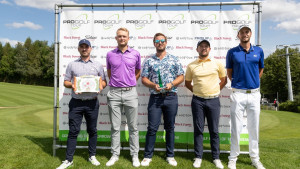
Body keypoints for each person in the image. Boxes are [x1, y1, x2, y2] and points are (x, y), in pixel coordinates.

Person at [57, 39, 107, 169]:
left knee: (92, 130)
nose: (84, 49)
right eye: (82, 47)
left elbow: (104, 82)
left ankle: (92, 156)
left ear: (90, 48)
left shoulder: (97, 65)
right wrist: (73, 85)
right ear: (79, 49)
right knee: (73, 131)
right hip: (76, 103)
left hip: (92, 103)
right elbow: (65, 82)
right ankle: (68, 160)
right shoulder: (72, 64)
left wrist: (100, 86)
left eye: (86, 47)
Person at [140, 33, 184, 167]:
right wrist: (153, 85)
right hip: (155, 98)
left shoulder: (174, 59)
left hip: (171, 97)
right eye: (157, 41)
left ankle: (170, 155)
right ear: (154, 43)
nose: (160, 43)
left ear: (166, 42)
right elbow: (144, 78)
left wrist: (172, 84)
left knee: (170, 128)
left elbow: (181, 76)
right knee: (152, 128)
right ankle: (148, 156)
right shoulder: (149, 61)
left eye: (162, 40)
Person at [226, 25, 265, 169]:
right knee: (236, 128)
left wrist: (253, 81)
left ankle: (255, 157)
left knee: (253, 128)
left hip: (254, 94)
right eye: (242, 32)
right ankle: (233, 157)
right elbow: (229, 72)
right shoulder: (232, 52)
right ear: (238, 35)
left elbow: (260, 70)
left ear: (250, 34)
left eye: (247, 32)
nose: (244, 34)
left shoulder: (259, 51)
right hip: (238, 93)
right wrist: (239, 83)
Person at [185, 40, 227, 169]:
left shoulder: (217, 63)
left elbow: (224, 80)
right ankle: (198, 157)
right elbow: (187, 83)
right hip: (198, 101)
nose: (203, 48)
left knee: (214, 130)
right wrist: (198, 92)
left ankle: (216, 157)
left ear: (209, 49)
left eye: (206, 46)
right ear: (197, 49)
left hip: (213, 100)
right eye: (201, 46)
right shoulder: (191, 65)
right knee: (198, 130)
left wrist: (215, 90)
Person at [106, 27, 141, 167]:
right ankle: (115, 155)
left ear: (128, 38)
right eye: (119, 36)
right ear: (116, 38)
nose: (122, 38)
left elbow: (137, 71)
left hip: (130, 92)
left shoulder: (135, 53)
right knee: (115, 127)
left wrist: (130, 82)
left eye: (124, 36)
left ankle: (135, 155)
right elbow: (109, 72)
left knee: (133, 127)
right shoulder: (110, 54)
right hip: (114, 93)